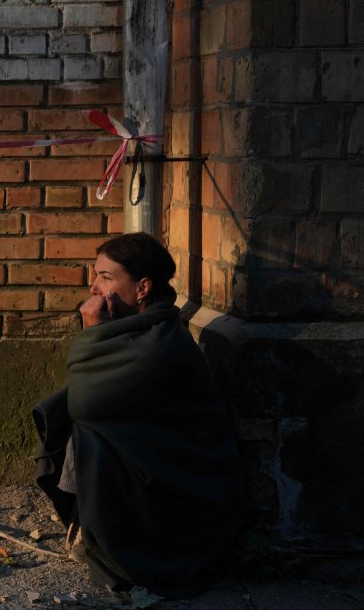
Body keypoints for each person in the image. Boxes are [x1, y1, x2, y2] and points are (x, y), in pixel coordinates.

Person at [32, 232, 242, 596]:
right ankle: (89, 524)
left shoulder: (160, 346)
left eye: (106, 277)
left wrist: (91, 332)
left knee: (89, 433)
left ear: (142, 287)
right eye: (95, 275)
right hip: (156, 474)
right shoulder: (144, 328)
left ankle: (107, 541)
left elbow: (85, 403)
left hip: (182, 495)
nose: (95, 288)